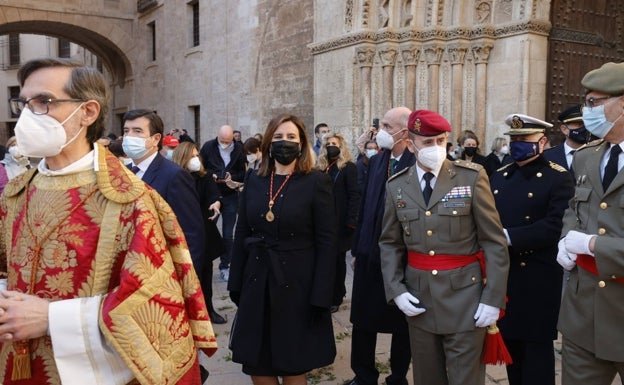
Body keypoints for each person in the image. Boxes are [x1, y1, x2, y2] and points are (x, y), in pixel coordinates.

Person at [0, 57, 216, 384]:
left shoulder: (131, 201)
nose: (28, 115)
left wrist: (51, 319)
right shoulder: (15, 194)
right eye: (24, 103)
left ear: (87, 112)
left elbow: (153, 305)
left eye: (43, 102)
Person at [379, 109, 509, 385]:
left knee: (466, 379)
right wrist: (396, 290)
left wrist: (492, 298)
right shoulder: (397, 185)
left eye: (441, 141)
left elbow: (494, 241)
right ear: (411, 143)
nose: (436, 148)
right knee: (427, 377)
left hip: (466, 299)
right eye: (428, 143)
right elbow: (390, 243)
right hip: (420, 299)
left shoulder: (470, 177)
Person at [227, 113, 337, 385]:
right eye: (278, 137)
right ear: (267, 142)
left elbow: (327, 242)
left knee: (292, 364)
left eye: (291, 137)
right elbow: (242, 231)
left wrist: (322, 293)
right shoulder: (254, 180)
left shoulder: (315, 181)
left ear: (301, 144)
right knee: (258, 363)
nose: (284, 142)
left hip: (298, 285)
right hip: (257, 281)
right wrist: (236, 283)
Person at [489, 113, 574, 385]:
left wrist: (508, 237)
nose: (518, 144)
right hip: (506, 274)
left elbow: (555, 225)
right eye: (514, 139)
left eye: (525, 139)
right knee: (512, 351)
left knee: (536, 356)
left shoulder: (557, 177)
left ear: (543, 141)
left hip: (538, 275)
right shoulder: (500, 175)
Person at [556, 61, 624, 385]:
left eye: (594, 103)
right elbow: (576, 207)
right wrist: (566, 238)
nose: (586, 111)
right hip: (583, 315)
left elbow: (594, 237)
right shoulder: (587, 156)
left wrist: (593, 245)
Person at [349, 106, 414, 385]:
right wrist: (357, 248)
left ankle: (397, 376)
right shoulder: (377, 161)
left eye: (387, 126)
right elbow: (364, 207)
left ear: (405, 131)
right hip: (369, 255)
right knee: (363, 321)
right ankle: (363, 375)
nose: (381, 132)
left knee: (403, 324)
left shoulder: (416, 162)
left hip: (401, 259)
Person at [122, 109, 207, 278]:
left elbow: (192, 233)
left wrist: (186, 280)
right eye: (126, 131)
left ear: (155, 139)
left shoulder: (174, 176)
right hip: (129, 273)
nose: (129, 136)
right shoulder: (123, 174)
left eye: (137, 131)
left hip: (162, 274)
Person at [172, 142, 227, 325]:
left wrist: (216, 203)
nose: (196, 160)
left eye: (197, 156)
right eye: (192, 156)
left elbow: (214, 196)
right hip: (180, 233)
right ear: (182, 158)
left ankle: (208, 310)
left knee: (205, 274)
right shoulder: (174, 178)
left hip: (204, 232)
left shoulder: (204, 178)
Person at [317, 132, 360, 312]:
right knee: (324, 260)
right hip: (322, 221)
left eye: (334, 143)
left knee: (337, 261)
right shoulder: (321, 168)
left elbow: (354, 195)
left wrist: (351, 221)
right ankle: (324, 293)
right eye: (328, 144)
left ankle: (336, 295)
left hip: (340, 222)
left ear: (341, 146)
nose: (331, 147)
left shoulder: (348, 168)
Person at [200, 125, 246, 282]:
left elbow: (242, 172)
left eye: (228, 141)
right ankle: (204, 263)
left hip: (230, 195)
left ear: (233, 138)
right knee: (207, 230)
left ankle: (225, 265)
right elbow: (201, 168)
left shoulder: (239, 149)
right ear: (217, 137)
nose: (225, 144)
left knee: (228, 234)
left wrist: (231, 177)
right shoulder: (208, 147)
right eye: (222, 141)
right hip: (212, 194)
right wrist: (211, 175)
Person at [543, 104, 593, 178]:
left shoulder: (597, 155)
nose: (584, 129)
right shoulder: (547, 156)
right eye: (579, 124)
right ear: (564, 129)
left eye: (587, 125)